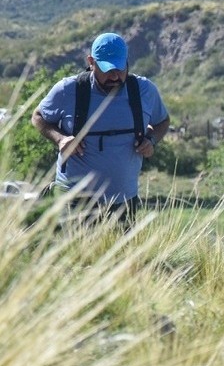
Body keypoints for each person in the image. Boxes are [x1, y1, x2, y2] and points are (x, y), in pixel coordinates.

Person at [32, 32, 170, 226]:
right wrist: (60, 139)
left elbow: (162, 121)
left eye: (119, 68)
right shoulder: (68, 90)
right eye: (107, 69)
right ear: (91, 62)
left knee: (121, 257)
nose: (114, 75)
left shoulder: (144, 90)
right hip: (73, 201)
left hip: (124, 203)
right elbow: (38, 117)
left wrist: (151, 140)